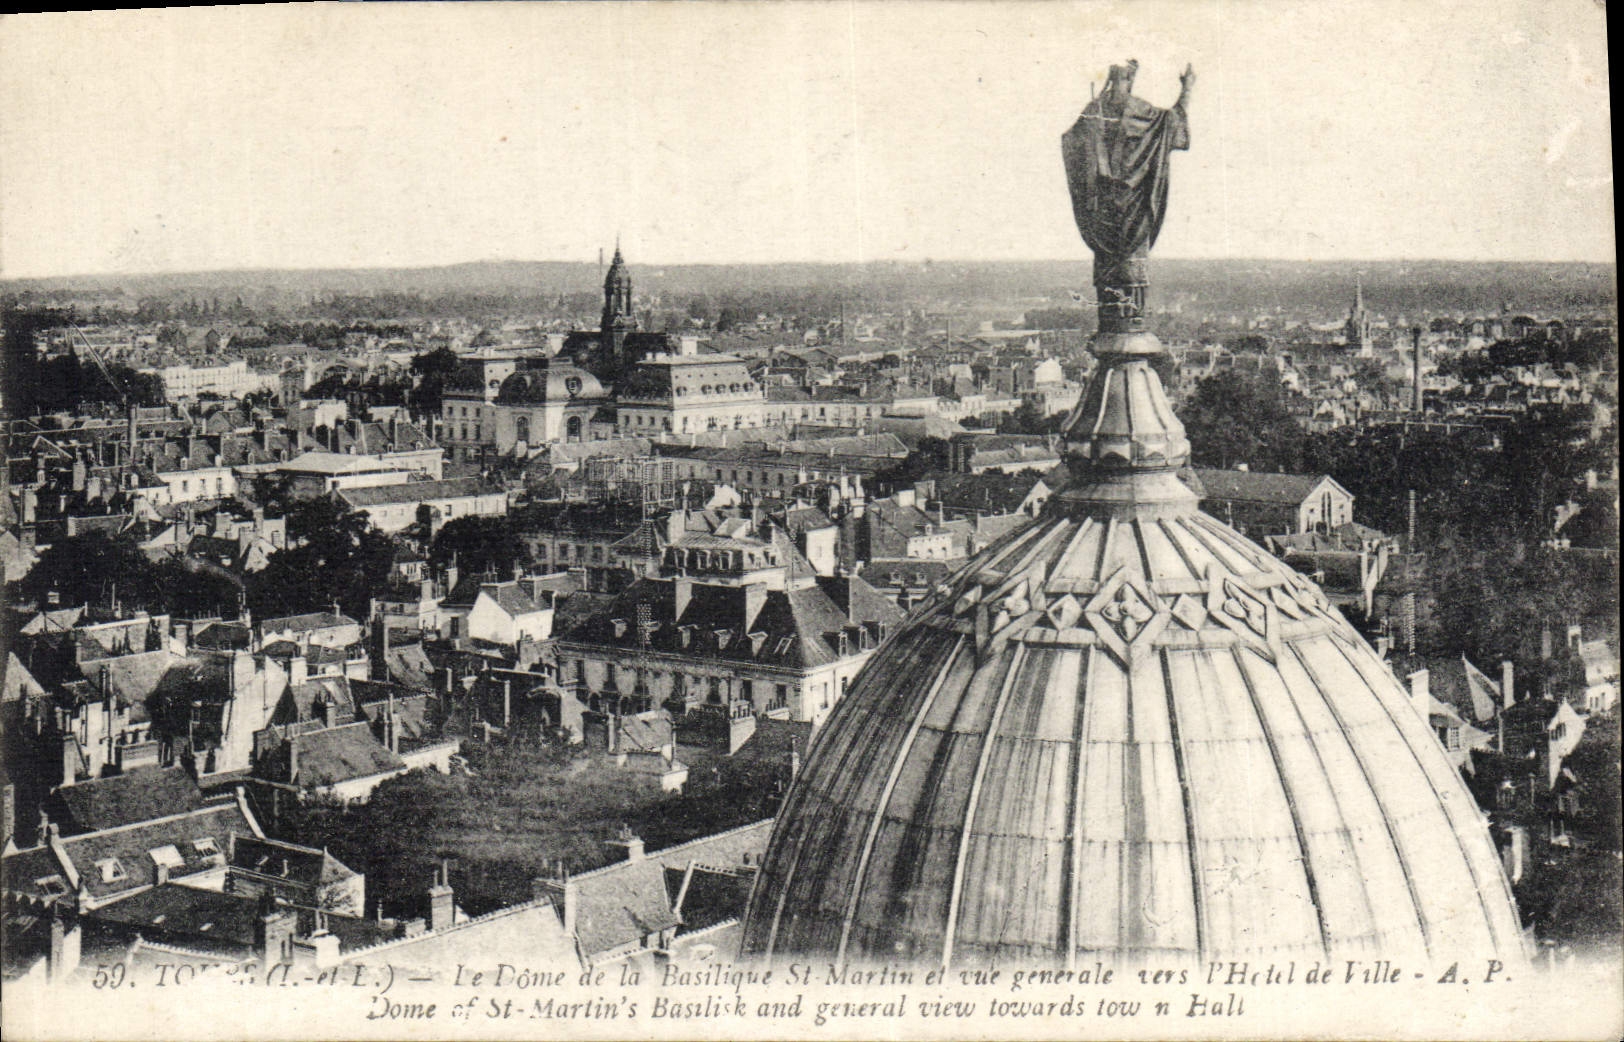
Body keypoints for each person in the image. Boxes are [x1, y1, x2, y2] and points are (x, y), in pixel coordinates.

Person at [1061, 61, 1195, 329]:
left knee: (1111, 280)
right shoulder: (1140, 111)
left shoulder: (1094, 111)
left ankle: (1118, 323)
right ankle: (1131, 321)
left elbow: (1070, 141)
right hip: (1135, 212)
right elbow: (1172, 125)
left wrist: (1095, 151)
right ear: (1130, 80)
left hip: (1103, 215)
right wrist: (1187, 89)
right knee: (1130, 280)